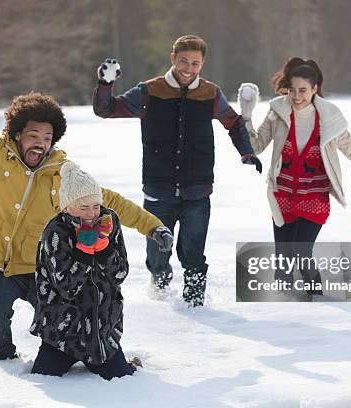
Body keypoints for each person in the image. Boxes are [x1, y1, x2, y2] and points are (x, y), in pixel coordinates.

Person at [0, 20, 173, 360]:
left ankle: (78, 356)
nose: (41, 143)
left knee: (64, 323)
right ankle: (4, 363)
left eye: (48, 138)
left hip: (41, 267)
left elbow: (108, 201)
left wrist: (153, 226)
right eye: (34, 135)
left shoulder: (63, 173)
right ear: (18, 133)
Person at [92, 35, 262, 306]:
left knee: (193, 254)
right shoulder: (149, 91)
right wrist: (105, 84)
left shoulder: (210, 93)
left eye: (195, 63)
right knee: (158, 257)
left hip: (198, 189)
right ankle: (159, 288)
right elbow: (106, 110)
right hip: (159, 191)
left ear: (202, 64)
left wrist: (247, 152)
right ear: (172, 58)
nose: (188, 67)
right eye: (183, 60)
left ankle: (196, 305)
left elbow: (233, 122)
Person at [238, 57, 351, 297]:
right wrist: (246, 114)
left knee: (301, 253)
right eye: (292, 90)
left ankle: (319, 301)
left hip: (315, 197)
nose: (297, 96)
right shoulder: (277, 112)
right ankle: (281, 312)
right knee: (283, 262)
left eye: (303, 90)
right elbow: (255, 146)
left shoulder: (329, 119)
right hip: (282, 196)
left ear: (314, 89)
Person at [30, 163, 139, 379]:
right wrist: (83, 253)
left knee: (121, 377)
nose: (92, 213)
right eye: (83, 208)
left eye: (96, 206)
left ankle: (122, 360)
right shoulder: (55, 232)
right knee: (44, 377)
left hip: (101, 332)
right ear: (66, 207)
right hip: (61, 332)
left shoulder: (109, 222)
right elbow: (67, 288)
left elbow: (120, 274)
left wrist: (105, 250)